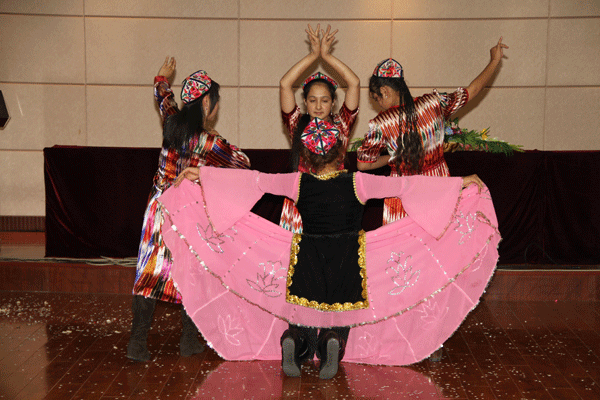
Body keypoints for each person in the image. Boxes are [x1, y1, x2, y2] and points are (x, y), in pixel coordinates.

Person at [160, 118, 500, 380]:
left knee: (304, 311)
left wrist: (200, 174)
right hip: (349, 260)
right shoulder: (359, 182)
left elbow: (255, 179)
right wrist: (460, 183)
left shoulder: (297, 182)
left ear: (306, 157)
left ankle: (295, 340)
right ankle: (332, 341)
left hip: (307, 256)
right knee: (341, 313)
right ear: (341, 153)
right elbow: (406, 185)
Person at [127, 57, 251, 362]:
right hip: (189, 215)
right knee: (194, 274)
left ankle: (137, 343)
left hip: (158, 209)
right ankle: (188, 341)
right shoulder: (210, 142)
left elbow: (163, 97)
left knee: (150, 271)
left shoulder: (171, 123)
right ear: (207, 102)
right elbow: (244, 163)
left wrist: (162, 78)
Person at [357, 38, 509, 225]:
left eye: (377, 99)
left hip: (404, 196)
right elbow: (473, 90)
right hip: (439, 189)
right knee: (441, 240)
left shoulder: (381, 124)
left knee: (404, 243)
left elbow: (363, 164)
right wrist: (494, 61)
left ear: (385, 91)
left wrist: (393, 158)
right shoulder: (434, 103)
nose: (379, 105)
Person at [279, 24, 360, 233]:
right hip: (300, 203)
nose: (318, 106)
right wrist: (313, 55)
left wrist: (326, 56)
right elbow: (285, 84)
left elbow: (354, 83)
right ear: (305, 102)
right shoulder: (297, 124)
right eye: (312, 100)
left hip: (335, 201)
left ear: (333, 103)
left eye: (324, 100)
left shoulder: (341, 125)